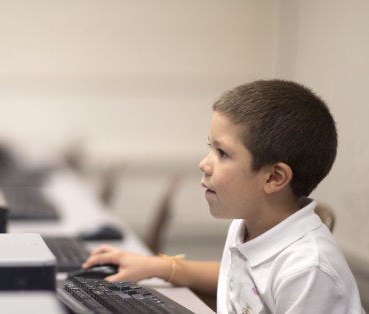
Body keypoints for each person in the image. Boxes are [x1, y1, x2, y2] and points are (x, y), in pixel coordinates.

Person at [83, 80, 365, 313]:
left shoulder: (309, 271)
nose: (204, 164)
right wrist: (159, 266)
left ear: (274, 178)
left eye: (222, 153)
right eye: (211, 147)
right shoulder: (250, 225)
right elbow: (238, 280)